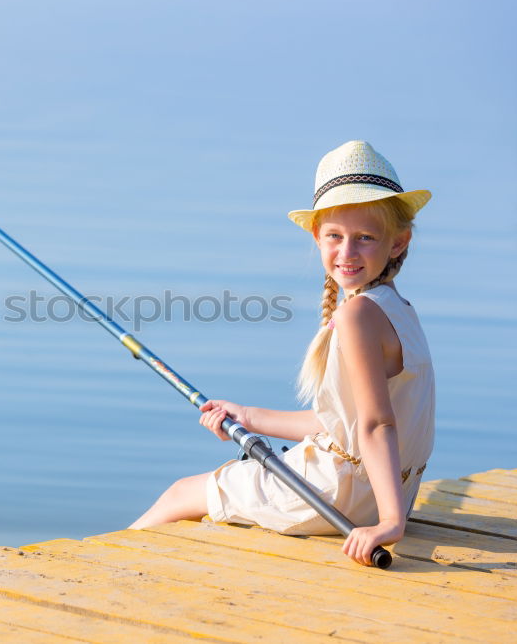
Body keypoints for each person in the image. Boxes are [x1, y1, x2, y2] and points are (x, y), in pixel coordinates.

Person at [129, 140, 435, 567]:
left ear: (398, 242)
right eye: (335, 236)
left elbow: (375, 424)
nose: (347, 253)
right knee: (207, 490)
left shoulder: (357, 316)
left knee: (182, 493)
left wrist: (389, 525)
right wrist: (248, 417)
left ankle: (101, 568)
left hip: (341, 497)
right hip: (382, 494)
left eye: (365, 238)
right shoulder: (399, 310)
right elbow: (345, 425)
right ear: (317, 237)